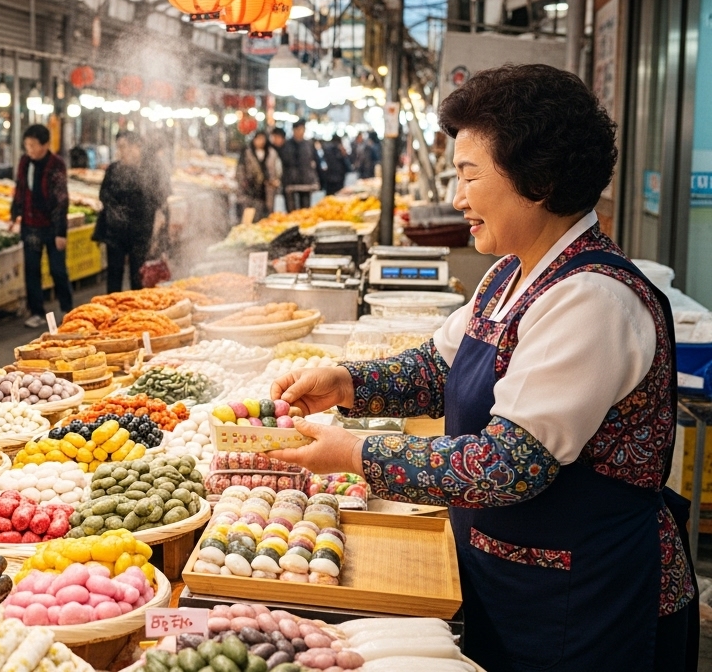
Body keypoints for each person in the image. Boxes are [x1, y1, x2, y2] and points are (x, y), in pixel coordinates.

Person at [268, 64, 696, 671]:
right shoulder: (513, 273)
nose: (456, 197)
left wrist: (354, 453)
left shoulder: (592, 299)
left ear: (537, 179)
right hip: (515, 579)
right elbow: (441, 368)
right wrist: (349, 383)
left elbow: (505, 465)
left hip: (587, 602)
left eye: (469, 175)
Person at [11, 124, 72, 328]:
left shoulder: (56, 164)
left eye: (33, 145)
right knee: (32, 270)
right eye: (27, 145)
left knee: (58, 270)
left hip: (52, 226)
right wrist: (15, 213)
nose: (29, 149)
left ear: (45, 144)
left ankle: (67, 309)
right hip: (30, 225)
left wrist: (60, 232)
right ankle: (36, 311)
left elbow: (61, 199)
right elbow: (19, 188)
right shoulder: (24, 162)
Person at [93, 131, 161, 293]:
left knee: (138, 277)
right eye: (119, 148)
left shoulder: (150, 171)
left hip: (140, 234)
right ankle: (112, 311)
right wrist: (116, 213)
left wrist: (157, 233)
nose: (121, 152)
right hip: (115, 233)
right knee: (114, 276)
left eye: (124, 147)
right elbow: (104, 195)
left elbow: (159, 201)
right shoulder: (113, 169)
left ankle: (136, 313)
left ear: (137, 147)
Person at [237, 130, 281, 218]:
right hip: (250, 189)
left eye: (263, 139)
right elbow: (240, 170)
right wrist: (243, 183)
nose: (261, 141)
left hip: (267, 189)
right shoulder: (247, 152)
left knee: (266, 214)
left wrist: (275, 180)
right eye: (258, 139)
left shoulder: (271, 153)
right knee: (250, 214)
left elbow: (278, 169)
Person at [279, 121, 320, 212]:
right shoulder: (286, 145)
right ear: (293, 130)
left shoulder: (309, 144)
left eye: (302, 129)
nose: (300, 132)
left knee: (305, 210)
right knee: (291, 211)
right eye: (298, 129)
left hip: (306, 181)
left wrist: (317, 179)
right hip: (290, 181)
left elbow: (315, 161)